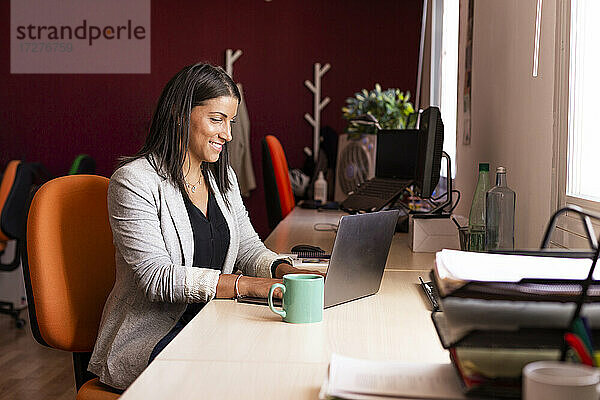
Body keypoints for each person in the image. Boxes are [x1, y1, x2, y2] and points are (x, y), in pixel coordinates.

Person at [88, 63, 318, 390]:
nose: (228, 134)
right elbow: (157, 278)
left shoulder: (222, 179)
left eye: (231, 122)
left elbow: (248, 248)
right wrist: (247, 285)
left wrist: (285, 271)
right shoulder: (134, 182)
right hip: (150, 338)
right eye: (216, 119)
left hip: (213, 323)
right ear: (179, 114)